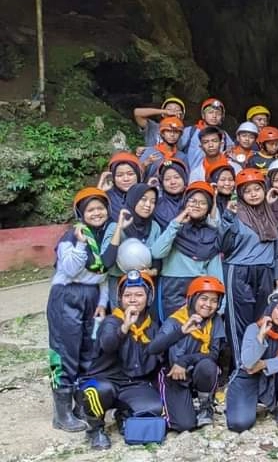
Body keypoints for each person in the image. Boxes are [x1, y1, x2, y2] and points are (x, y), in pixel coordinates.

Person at [48, 188, 114, 433]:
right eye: (91, 210)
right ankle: (62, 413)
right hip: (67, 295)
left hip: (92, 298)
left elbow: (103, 276)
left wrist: (102, 303)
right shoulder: (71, 237)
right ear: (81, 213)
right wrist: (81, 244)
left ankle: (81, 405)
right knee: (65, 351)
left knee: (89, 351)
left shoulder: (104, 237)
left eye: (100, 208)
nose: (97, 213)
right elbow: (69, 268)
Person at [76, 270, 164, 449]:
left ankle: (122, 413)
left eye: (139, 295)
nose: (133, 300)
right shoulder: (111, 321)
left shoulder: (152, 327)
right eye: (127, 295)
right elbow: (108, 344)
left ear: (149, 298)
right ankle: (95, 428)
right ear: (120, 299)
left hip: (132, 384)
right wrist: (125, 327)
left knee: (154, 407)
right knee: (98, 391)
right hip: (104, 381)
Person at [221, 169, 278, 362]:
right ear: (240, 194)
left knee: (260, 321)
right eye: (247, 191)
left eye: (257, 189)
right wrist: (228, 219)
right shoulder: (235, 214)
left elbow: (275, 250)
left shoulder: (269, 214)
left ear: (264, 190)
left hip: (265, 272)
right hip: (239, 271)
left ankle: (255, 364)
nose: (253, 194)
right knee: (239, 323)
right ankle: (240, 368)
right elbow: (223, 245)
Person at [149, 276, 226, 431]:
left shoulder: (215, 320)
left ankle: (205, 406)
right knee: (184, 425)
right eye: (203, 299)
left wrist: (185, 360)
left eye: (214, 301)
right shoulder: (175, 321)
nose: (208, 305)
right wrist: (181, 331)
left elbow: (213, 354)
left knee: (208, 365)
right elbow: (153, 349)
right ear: (192, 299)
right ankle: (182, 405)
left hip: (196, 371)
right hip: (174, 375)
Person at [225, 285, 278, 431]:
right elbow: (248, 363)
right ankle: (250, 402)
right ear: (272, 307)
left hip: (275, 376)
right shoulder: (254, 328)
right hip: (250, 377)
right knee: (239, 423)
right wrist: (261, 336)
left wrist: (265, 364)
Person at [149, 181, 225, 316]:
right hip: (172, 285)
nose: (197, 205)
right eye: (192, 201)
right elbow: (157, 252)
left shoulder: (211, 234)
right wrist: (176, 224)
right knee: (172, 326)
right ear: (185, 202)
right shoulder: (174, 228)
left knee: (197, 327)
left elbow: (215, 273)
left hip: (200, 287)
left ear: (208, 208)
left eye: (203, 203)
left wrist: (221, 307)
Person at [101, 152, 143, 222]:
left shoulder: (148, 194)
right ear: (112, 177)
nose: (126, 179)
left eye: (130, 174)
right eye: (119, 175)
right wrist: (99, 193)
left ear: (138, 175)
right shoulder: (107, 198)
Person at [152, 159, 189, 230]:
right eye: (167, 179)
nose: (173, 182)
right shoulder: (156, 205)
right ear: (161, 183)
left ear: (184, 178)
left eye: (177, 177)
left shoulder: (193, 201)